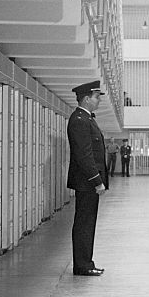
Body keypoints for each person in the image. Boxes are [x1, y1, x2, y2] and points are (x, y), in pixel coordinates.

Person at [67, 80, 108, 276]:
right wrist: (96, 180)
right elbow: (84, 155)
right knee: (84, 223)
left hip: (87, 182)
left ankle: (86, 263)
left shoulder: (86, 119)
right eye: (96, 97)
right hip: (86, 182)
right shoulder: (79, 120)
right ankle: (82, 265)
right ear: (86, 98)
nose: (99, 100)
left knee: (88, 222)